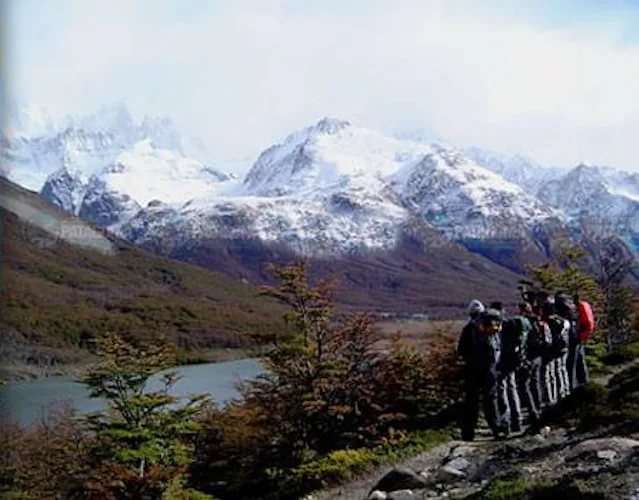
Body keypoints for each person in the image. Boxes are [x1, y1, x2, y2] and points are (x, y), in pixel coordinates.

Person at [458, 307, 506, 441]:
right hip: (490, 368)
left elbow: (461, 349)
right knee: (491, 399)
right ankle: (496, 429)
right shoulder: (494, 327)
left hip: (472, 368)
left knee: (471, 400)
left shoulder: (468, 329)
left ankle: (468, 432)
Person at [568, 293, 593, 388]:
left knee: (574, 361)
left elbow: (587, 323)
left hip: (579, 336)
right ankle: (584, 381)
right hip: (582, 335)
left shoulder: (581, 307)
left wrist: (580, 336)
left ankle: (574, 384)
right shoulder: (585, 305)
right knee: (580, 360)